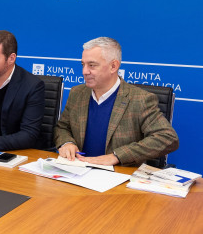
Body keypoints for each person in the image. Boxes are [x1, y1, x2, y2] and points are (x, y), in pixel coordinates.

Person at [55, 37, 179, 166]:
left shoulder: (140, 99)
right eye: (83, 64)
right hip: (77, 170)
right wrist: (66, 143)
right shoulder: (77, 93)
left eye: (92, 65)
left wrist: (117, 156)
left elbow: (167, 138)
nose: (85, 71)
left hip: (118, 176)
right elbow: (62, 127)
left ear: (113, 66)